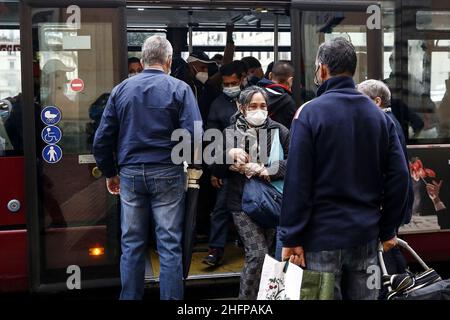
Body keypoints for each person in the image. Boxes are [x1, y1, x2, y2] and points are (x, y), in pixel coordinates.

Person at [280, 37, 410, 300]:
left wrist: (291, 236)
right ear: (353, 69)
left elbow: (297, 181)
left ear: (322, 70)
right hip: (365, 237)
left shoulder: (309, 114)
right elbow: (400, 177)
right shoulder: (379, 116)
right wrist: (387, 229)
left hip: (319, 240)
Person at [93, 35, 202, 300]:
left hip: (130, 174)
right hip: (168, 172)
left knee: (131, 244)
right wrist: (189, 164)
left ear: (142, 62)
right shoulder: (180, 89)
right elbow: (195, 135)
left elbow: (101, 140)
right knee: (169, 245)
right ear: (167, 61)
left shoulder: (121, 90)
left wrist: (111, 173)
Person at [212, 86, 289, 299]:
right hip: (242, 204)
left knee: (273, 258)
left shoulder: (280, 131)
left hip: (273, 201)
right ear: (242, 107)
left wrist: (268, 170)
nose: (259, 110)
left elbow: (295, 162)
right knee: (257, 254)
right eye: (253, 106)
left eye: (263, 106)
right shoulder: (230, 133)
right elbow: (215, 167)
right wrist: (229, 155)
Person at [357, 79, 414, 296]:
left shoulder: (385, 123)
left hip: (386, 204)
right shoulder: (388, 120)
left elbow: (395, 173)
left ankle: (393, 290)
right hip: (389, 203)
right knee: (388, 248)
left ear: (377, 101)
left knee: (385, 250)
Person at [203, 61, 247, 266]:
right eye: (226, 84)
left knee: (251, 207)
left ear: (243, 80)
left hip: (251, 166)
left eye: (234, 83)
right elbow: (212, 139)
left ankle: (250, 246)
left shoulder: (253, 100)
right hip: (227, 166)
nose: (230, 87)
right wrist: (214, 170)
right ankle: (216, 250)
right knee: (221, 208)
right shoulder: (217, 104)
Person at [261, 60, 298, 129]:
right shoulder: (289, 102)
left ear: (270, 75)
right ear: (290, 80)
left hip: (259, 138)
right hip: (279, 138)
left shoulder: (256, 95)